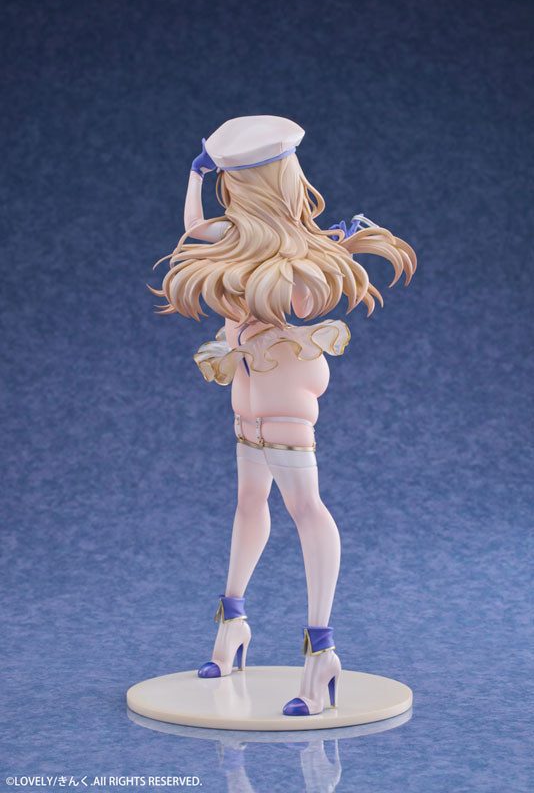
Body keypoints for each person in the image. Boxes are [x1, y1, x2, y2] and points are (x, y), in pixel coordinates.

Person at [150, 116, 416, 716]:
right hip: (247, 400)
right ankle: (232, 624)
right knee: (249, 504)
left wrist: (320, 251)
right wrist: (196, 176)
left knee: (304, 509)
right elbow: (193, 230)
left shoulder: (296, 246)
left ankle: (321, 652)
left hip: (284, 395)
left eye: (232, 179)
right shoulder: (236, 233)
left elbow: (300, 303)